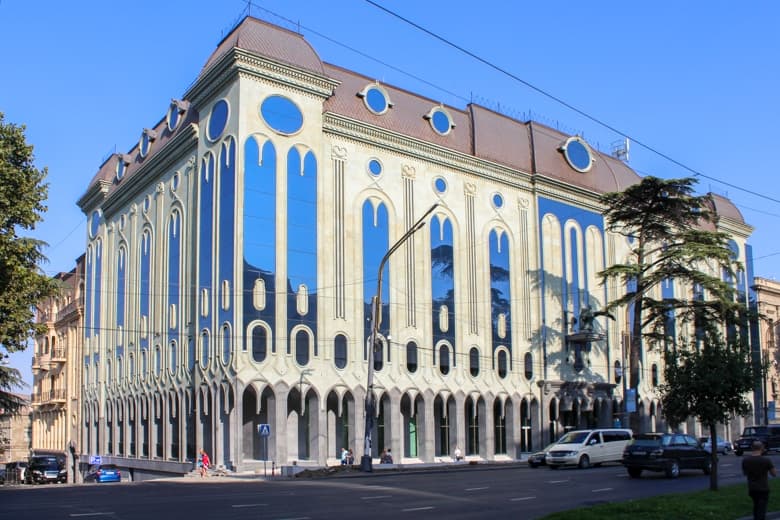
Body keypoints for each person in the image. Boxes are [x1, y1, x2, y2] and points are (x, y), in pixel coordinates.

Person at [742, 440, 776, 520]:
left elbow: (745, 473)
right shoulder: (766, 460)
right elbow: (774, 474)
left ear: (752, 448)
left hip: (752, 488)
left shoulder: (746, 460)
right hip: (763, 488)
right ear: (762, 448)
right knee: (761, 510)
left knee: (756, 506)